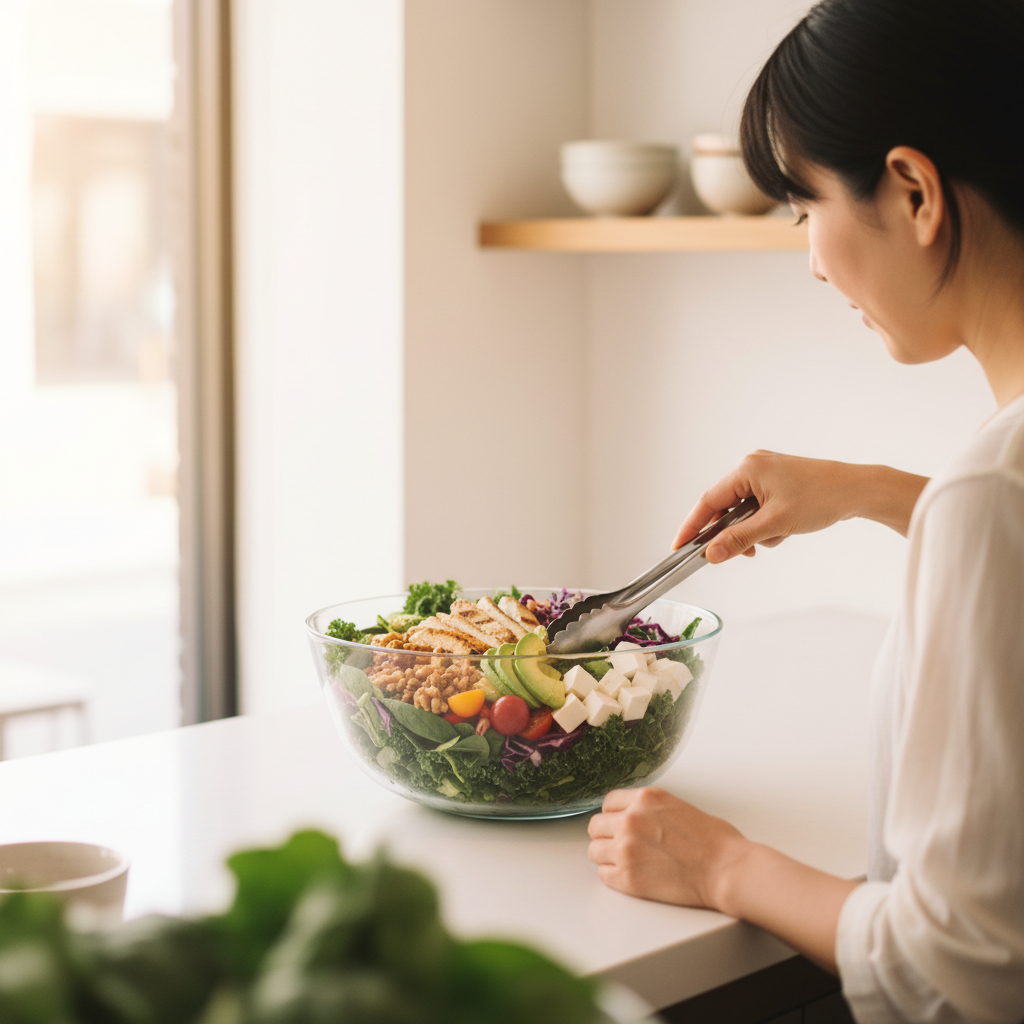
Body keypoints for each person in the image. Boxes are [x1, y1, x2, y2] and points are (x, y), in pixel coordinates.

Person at [586, 1, 1024, 1020]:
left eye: (803, 207)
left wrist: (725, 866)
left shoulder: (988, 492)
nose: (815, 262)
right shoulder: (989, 492)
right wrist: (868, 490)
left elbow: (958, 968)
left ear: (913, 190)